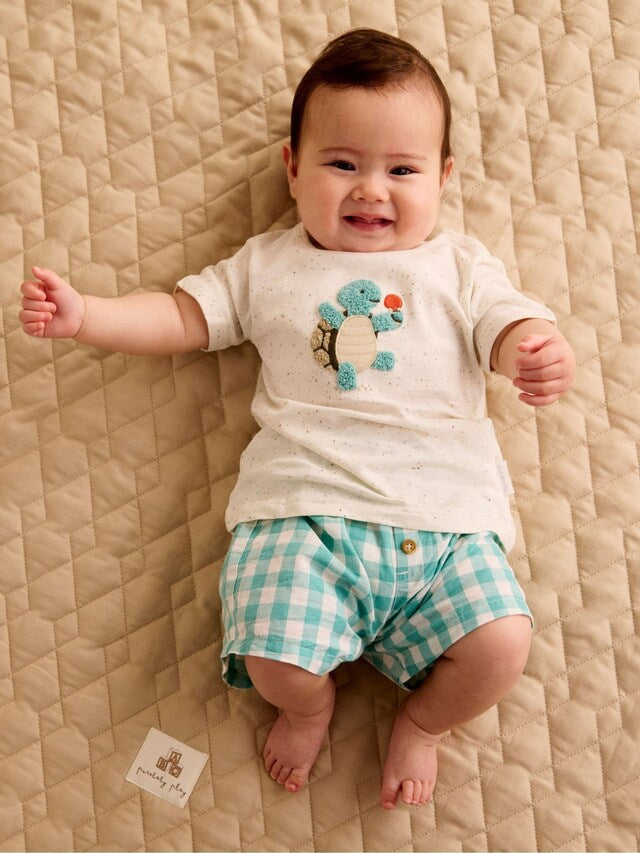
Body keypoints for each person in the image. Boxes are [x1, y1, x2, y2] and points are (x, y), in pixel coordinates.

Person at [19, 28, 575, 810]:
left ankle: (423, 721)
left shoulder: (457, 265)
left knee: (502, 645)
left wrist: (533, 351)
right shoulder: (268, 264)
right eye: (342, 164)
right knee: (272, 657)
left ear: (444, 178)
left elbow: (508, 323)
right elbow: (181, 316)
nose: (371, 190)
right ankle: (310, 707)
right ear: (292, 168)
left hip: (446, 525)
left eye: (402, 170)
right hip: (304, 517)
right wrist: (88, 315)